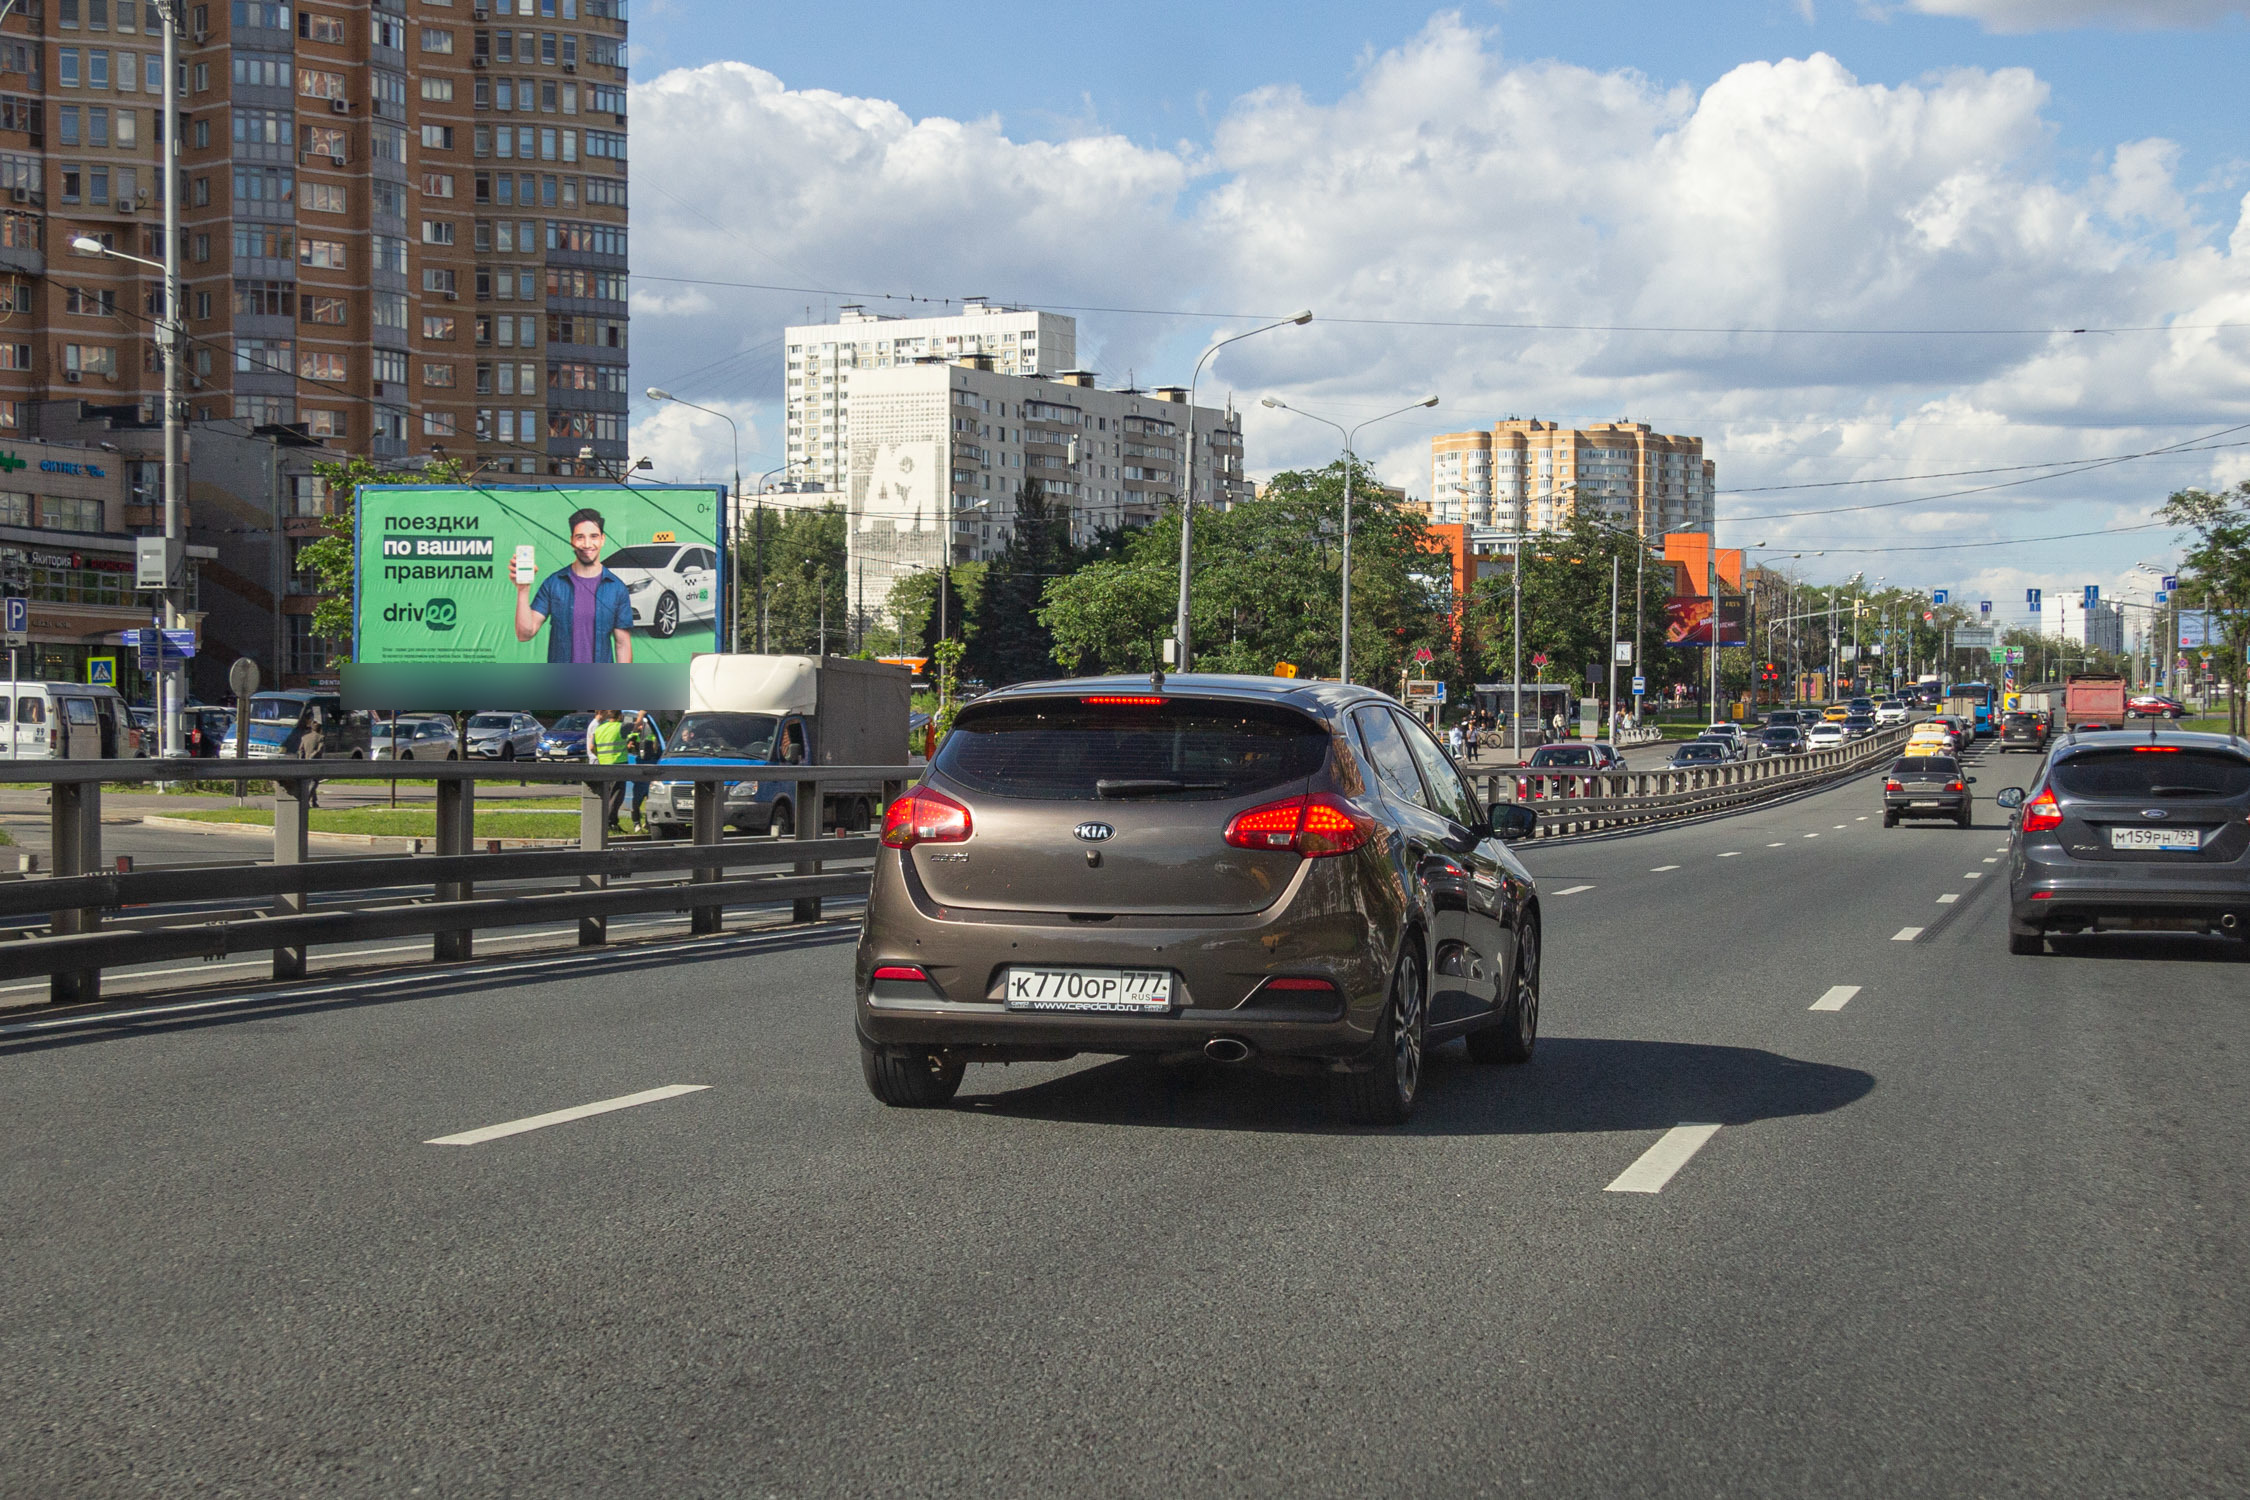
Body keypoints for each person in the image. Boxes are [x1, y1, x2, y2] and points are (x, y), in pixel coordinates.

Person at [514, 508, 635, 665]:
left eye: (593, 536)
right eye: (580, 537)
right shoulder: (554, 584)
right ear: (571, 540)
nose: (587, 544)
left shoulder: (617, 588)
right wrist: (523, 590)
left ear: (602, 539)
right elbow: (525, 634)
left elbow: (622, 644)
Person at [589, 707, 629, 829]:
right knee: (616, 795)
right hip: (619, 765)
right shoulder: (621, 727)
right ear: (620, 716)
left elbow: (591, 747)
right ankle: (608, 822)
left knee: (606, 795)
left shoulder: (599, 728)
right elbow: (636, 727)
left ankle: (612, 822)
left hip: (603, 765)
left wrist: (600, 756)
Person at [627, 712, 662, 828]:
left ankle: (647, 822)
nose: (641, 727)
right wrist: (631, 743)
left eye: (642, 725)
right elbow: (628, 742)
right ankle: (636, 822)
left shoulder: (651, 736)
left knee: (649, 799)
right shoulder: (636, 736)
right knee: (636, 800)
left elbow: (656, 746)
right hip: (641, 771)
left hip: (649, 770)